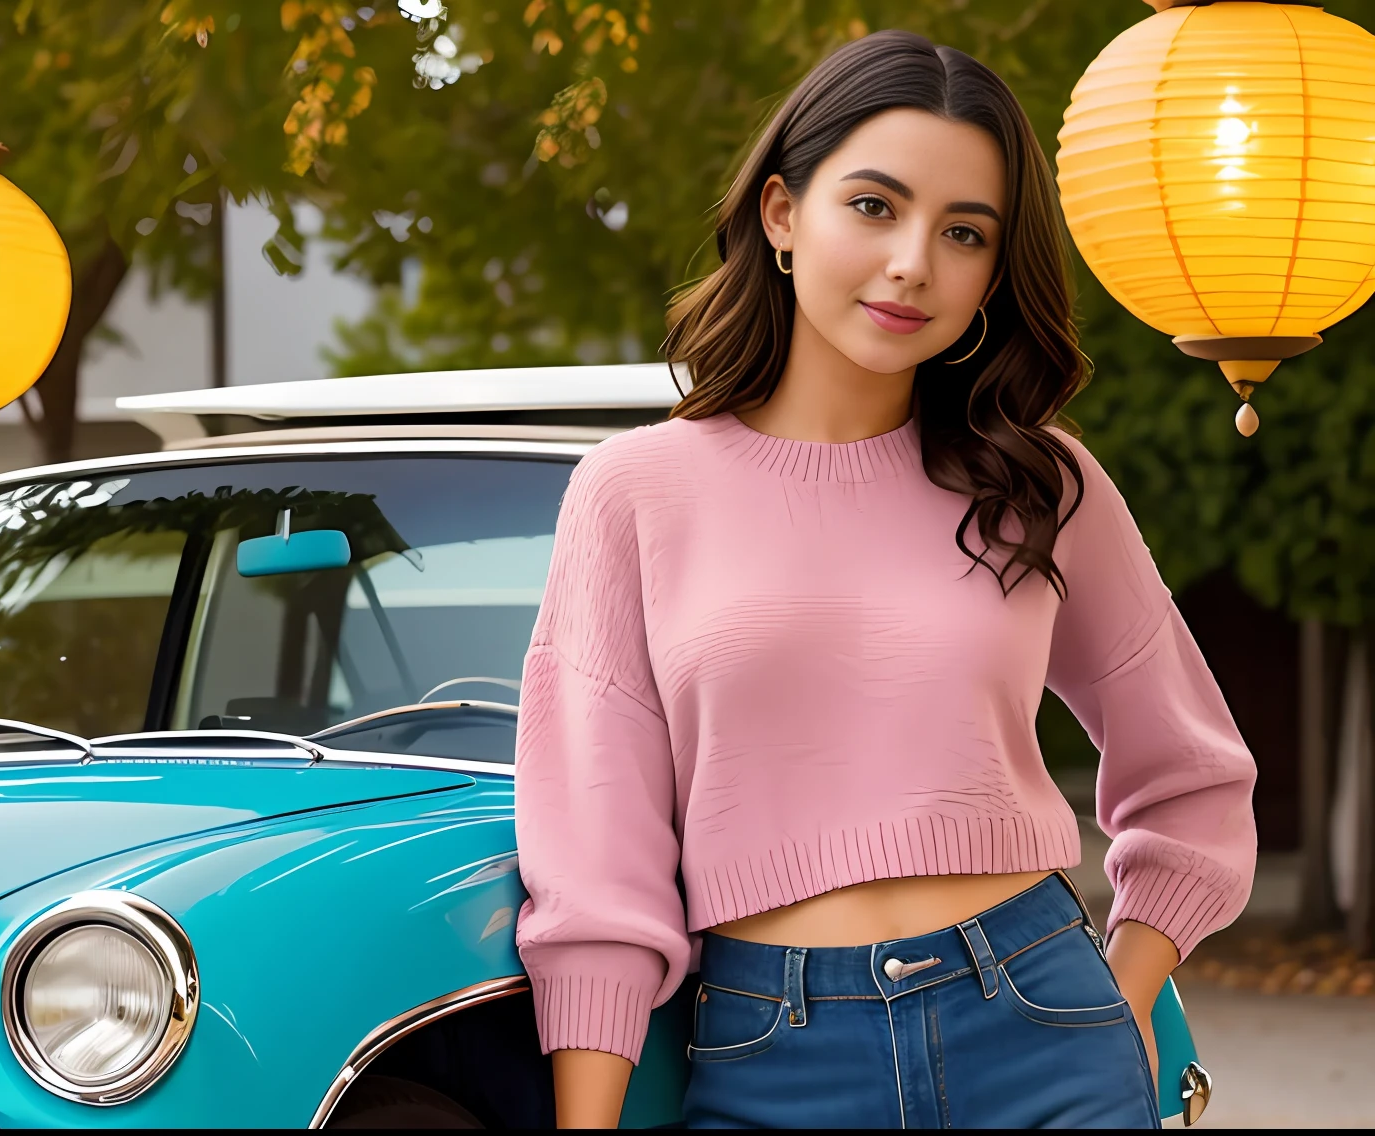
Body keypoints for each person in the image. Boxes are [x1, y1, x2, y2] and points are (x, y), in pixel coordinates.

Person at [514, 29, 1256, 1129]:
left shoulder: (1040, 482)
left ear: (992, 275)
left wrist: (1126, 995)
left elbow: (1191, 776)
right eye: (872, 205)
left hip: (1041, 1026)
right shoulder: (633, 491)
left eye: (962, 232)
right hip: (772, 1049)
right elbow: (594, 860)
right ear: (779, 213)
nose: (913, 260)